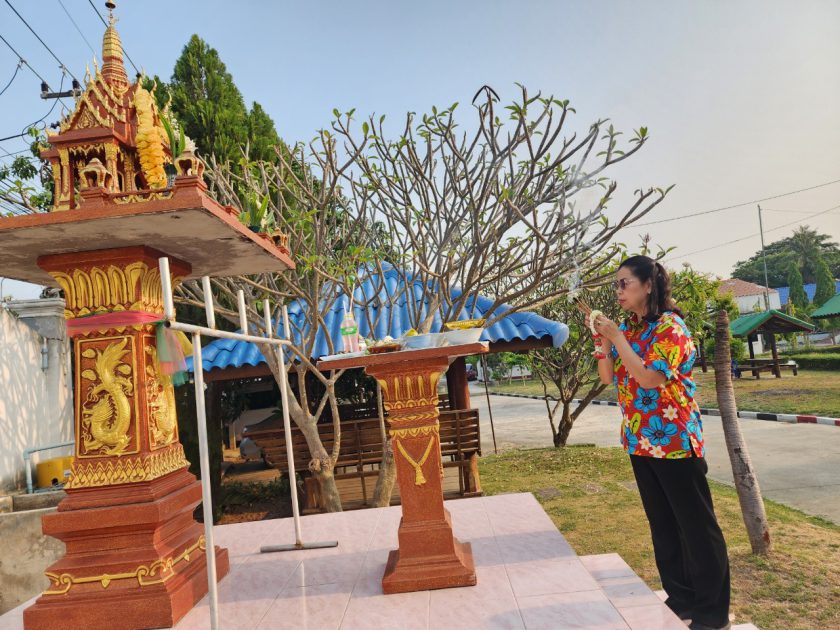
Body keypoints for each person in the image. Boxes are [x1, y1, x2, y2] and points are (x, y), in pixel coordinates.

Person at [589, 255, 731, 630]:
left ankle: (713, 614)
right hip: (639, 438)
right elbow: (607, 377)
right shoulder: (629, 328)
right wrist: (604, 342)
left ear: (648, 285)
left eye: (624, 283)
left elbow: (651, 378)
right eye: (616, 284)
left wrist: (617, 338)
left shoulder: (671, 327)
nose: (618, 291)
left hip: (675, 439)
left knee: (696, 527)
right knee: (663, 524)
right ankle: (681, 598)